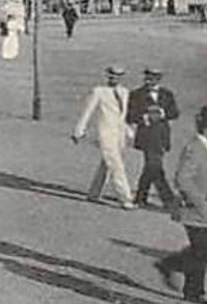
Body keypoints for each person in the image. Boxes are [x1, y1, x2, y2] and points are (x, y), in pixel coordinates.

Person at [154, 107, 207, 304]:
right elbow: (182, 178)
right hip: (196, 211)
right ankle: (193, 291)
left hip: (205, 210)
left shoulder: (204, 148)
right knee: (202, 249)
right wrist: (201, 201)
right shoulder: (194, 148)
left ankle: (170, 265)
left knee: (204, 248)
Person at [72, 64, 136, 209]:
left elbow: (123, 115)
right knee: (116, 165)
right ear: (107, 76)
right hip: (105, 133)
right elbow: (87, 112)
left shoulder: (125, 92)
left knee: (107, 164)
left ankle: (94, 193)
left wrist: (128, 131)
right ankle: (125, 198)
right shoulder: (99, 91)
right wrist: (79, 131)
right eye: (112, 76)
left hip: (119, 134)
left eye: (118, 76)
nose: (114, 78)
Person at [126, 66, 180, 210]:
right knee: (154, 165)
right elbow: (130, 115)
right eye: (148, 77)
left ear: (159, 79)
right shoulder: (136, 94)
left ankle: (140, 198)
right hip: (146, 136)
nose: (150, 80)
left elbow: (175, 113)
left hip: (162, 135)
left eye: (154, 78)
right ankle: (169, 200)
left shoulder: (167, 94)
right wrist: (144, 117)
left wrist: (162, 113)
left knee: (152, 167)